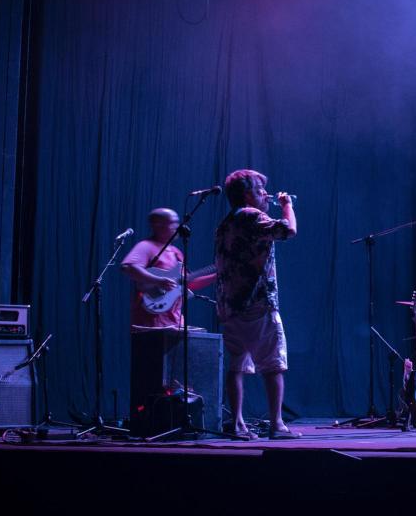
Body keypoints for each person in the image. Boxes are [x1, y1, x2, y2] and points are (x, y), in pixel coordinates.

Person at [214, 169, 299, 439]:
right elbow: (288, 230)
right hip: (257, 303)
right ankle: (277, 424)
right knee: (272, 364)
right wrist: (287, 206)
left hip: (231, 306)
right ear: (248, 194)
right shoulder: (251, 215)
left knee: (236, 365)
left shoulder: (226, 223)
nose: (266, 195)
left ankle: (238, 424)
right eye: (261, 190)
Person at [122, 208, 215, 330]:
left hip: (174, 322)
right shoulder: (146, 246)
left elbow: (187, 283)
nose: (177, 227)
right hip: (150, 322)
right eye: (173, 223)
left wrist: (217, 275)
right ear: (157, 226)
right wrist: (158, 281)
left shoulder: (176, 253)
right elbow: (128, 267)